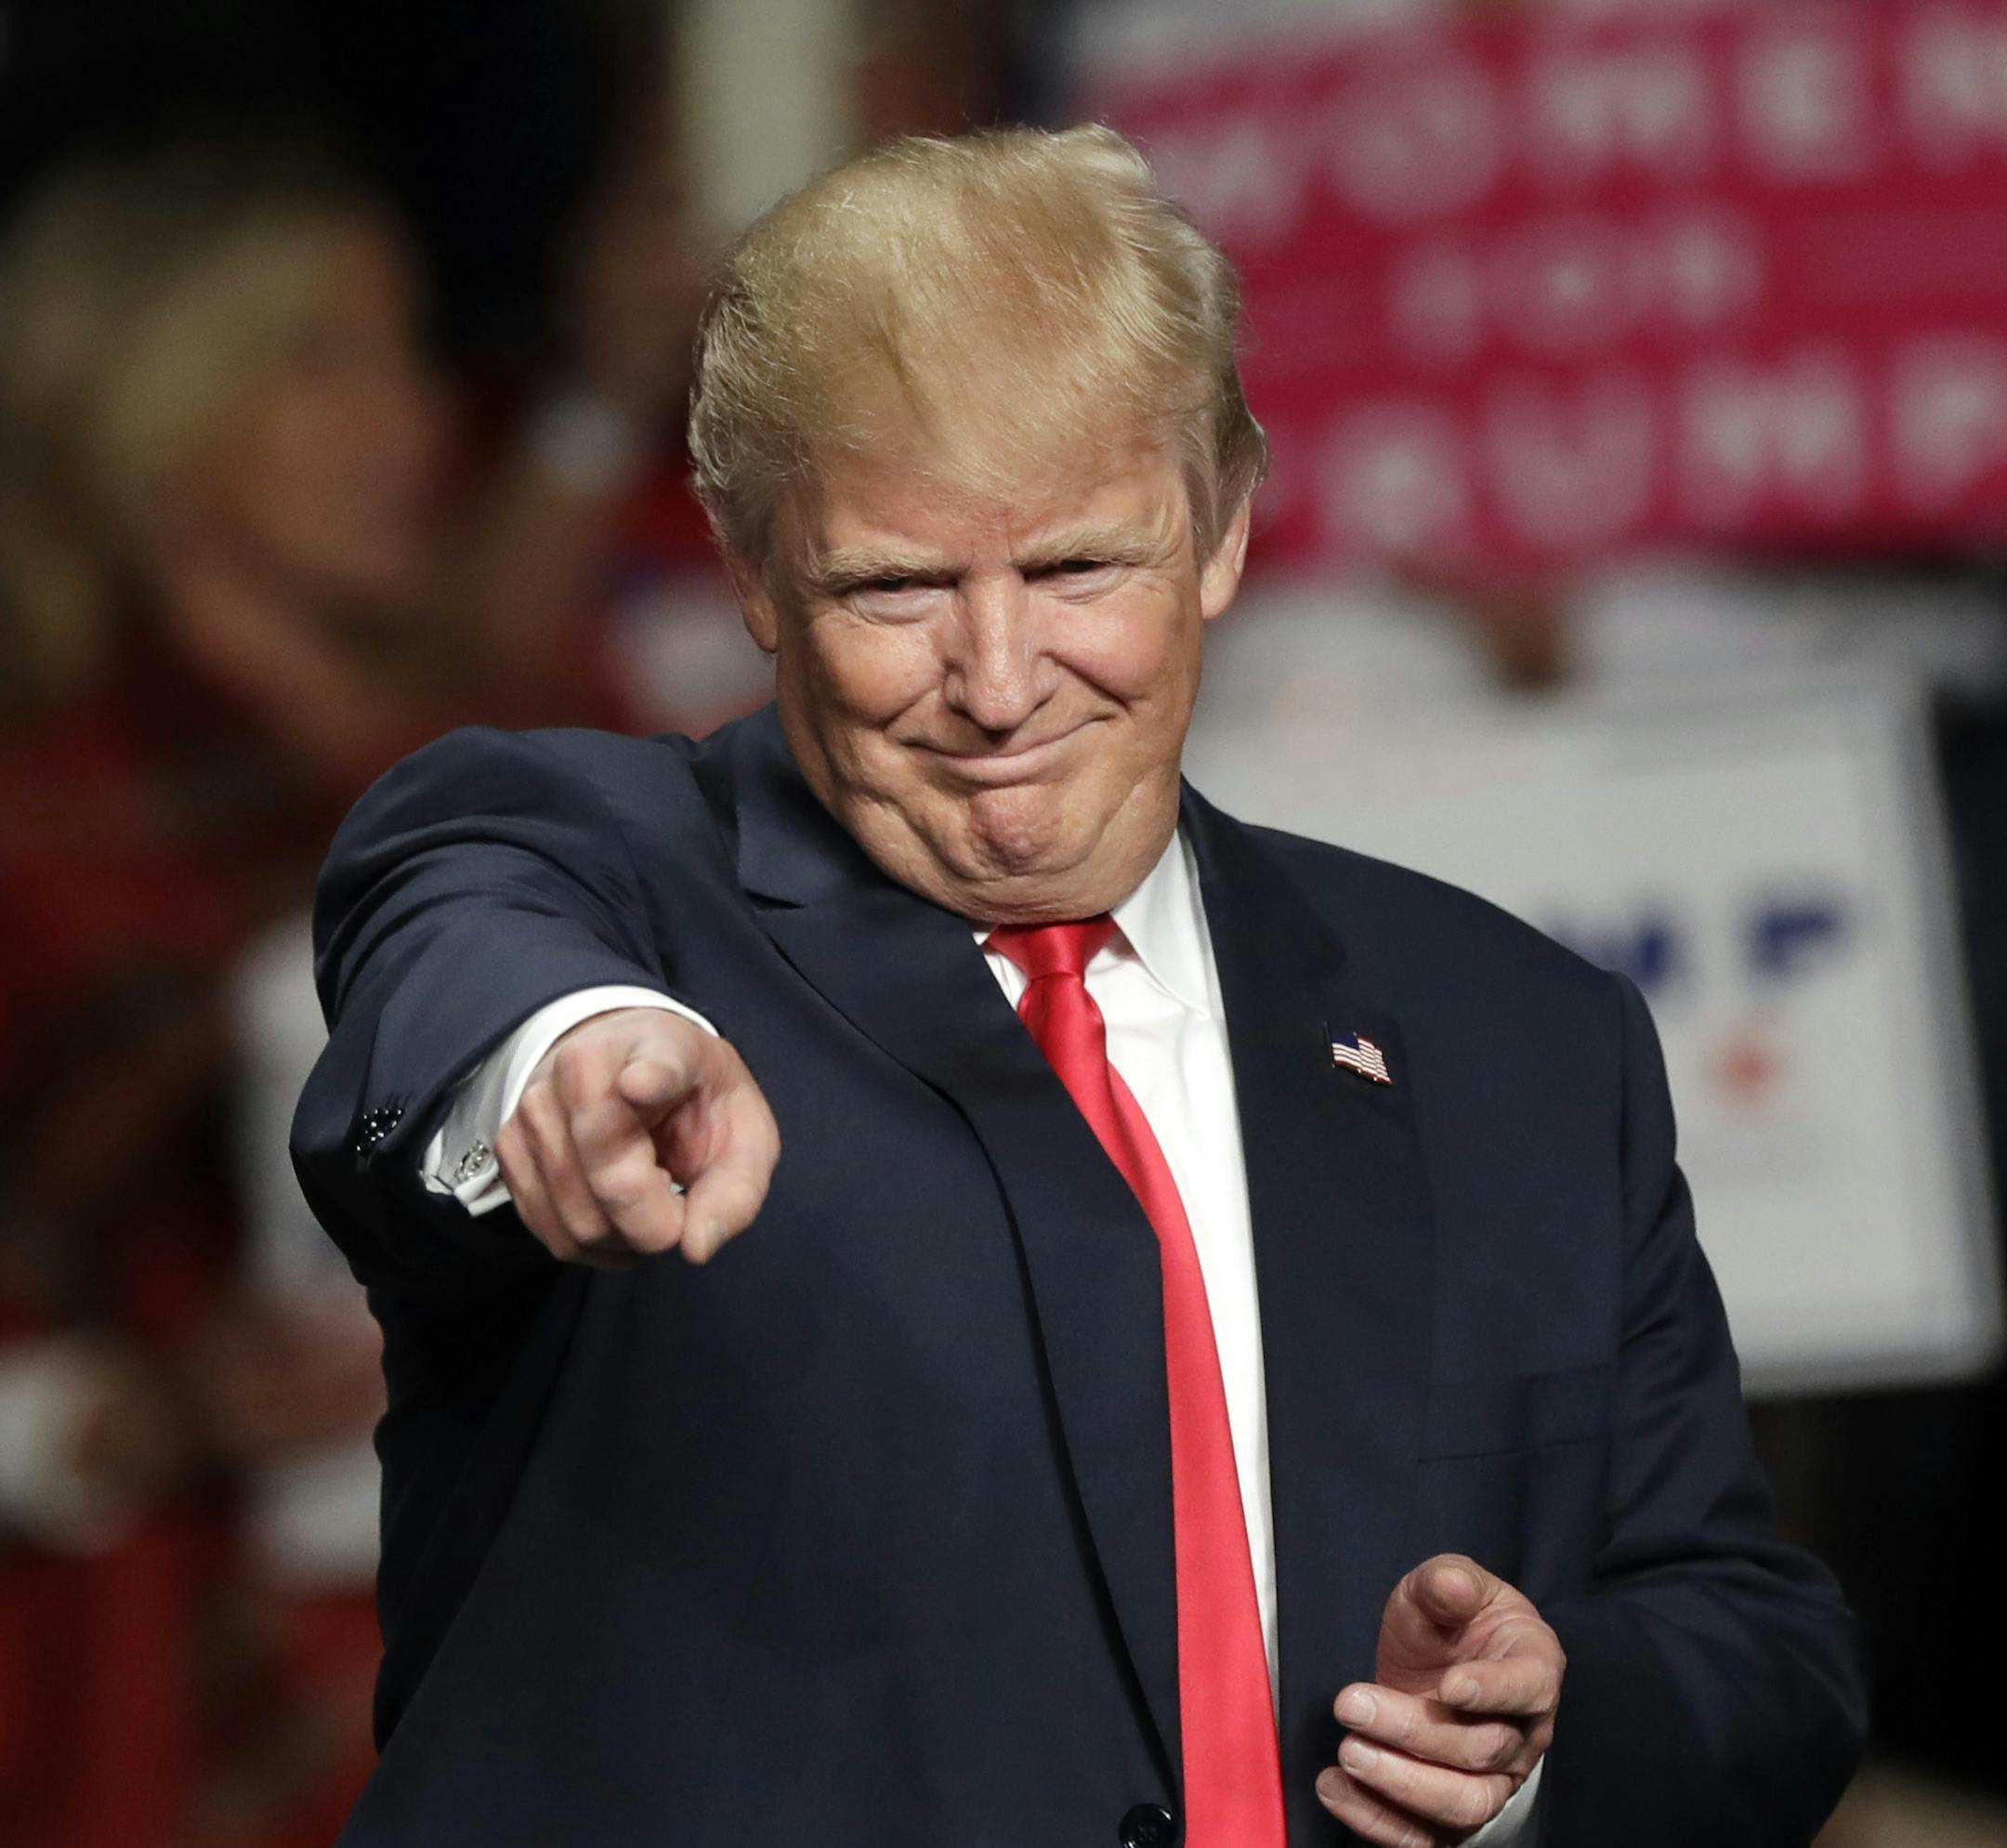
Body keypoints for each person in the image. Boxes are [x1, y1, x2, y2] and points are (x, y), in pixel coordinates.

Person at [293, 125, 1867, 1847]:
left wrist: (1537, 1737)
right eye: (894, 586)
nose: (994, 680)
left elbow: (1759, 1651)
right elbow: (460, 958)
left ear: (1222, 534)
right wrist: (573, 1059)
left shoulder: (1523, 1039)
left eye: (1075, 569)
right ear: (750, 573)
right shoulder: (584, 871)